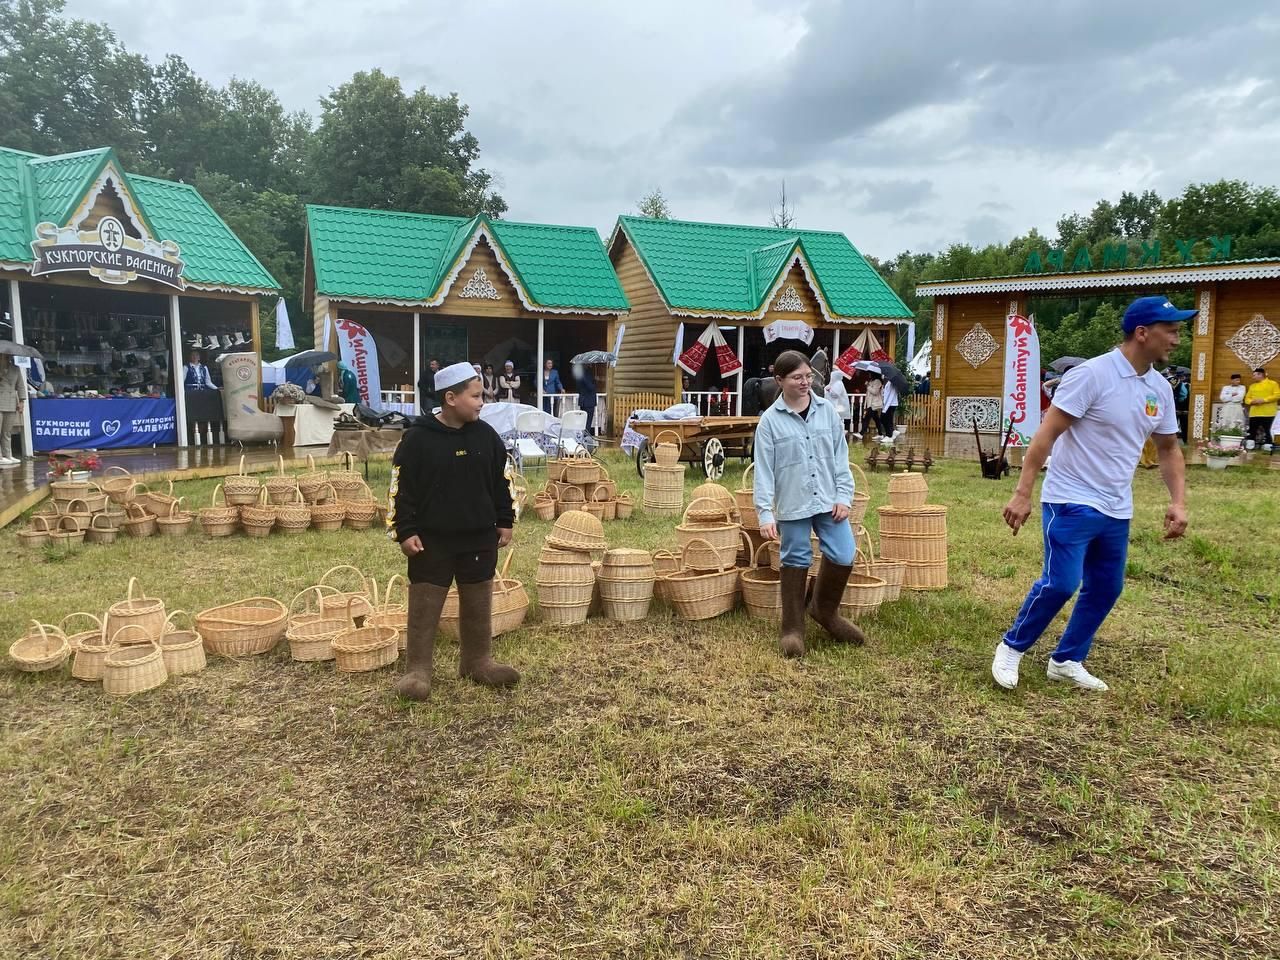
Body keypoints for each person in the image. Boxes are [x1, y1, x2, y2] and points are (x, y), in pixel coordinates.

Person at [992, 295, 1189, 693]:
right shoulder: (1093, 375)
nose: (1176, 339)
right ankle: (1012, 647)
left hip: (1117, 506)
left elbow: (1168, 448)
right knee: (1061, 583)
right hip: (1070, 498)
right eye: (1171, 330)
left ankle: (1067, 660)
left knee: (1106, 586)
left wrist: (1178, 501)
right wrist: (1023, 492)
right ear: (1142, 332)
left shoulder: (1159, 389)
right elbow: (1046, 434)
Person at [387, 361, 519, 700]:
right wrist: (405, 531)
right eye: (475, 396)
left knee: (478, 603)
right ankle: (417, 670)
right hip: (431, 541)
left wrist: (505, 520)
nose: (482, 402)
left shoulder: (486, 437)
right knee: (425, 607)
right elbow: (401, 489)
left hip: (479, 537)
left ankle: (477, 661)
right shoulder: (417, 440)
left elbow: (501, 482)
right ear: (450, 398)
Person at [753, 349, 862, 659]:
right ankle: (792, 628)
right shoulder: (769, 423)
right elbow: (763, 471)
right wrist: (764, 512)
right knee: (796, 556)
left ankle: (824, 611)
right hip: (793, 502)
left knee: (844, 552)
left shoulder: (827, 411)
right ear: (779, 380)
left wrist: (844, 495)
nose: (805, 382)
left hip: (830, 500)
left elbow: (841, 458)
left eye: (808, 376)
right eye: (797, 377)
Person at [1243, 367, 1279, 450]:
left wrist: (1263, 400)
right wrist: (1252, 402)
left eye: (1255, 375)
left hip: (1269, 412)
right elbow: (1247, 398)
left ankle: (1268, 446)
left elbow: (1277, 395)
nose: (1253, 377)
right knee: (1252, 430)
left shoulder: (1273, 384)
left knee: (1268, 430)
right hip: (1255, 412)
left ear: (1261, 375)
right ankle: (1250, 446)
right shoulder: (1252, 386)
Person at [0, 354, 25, 466]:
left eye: (8, 356)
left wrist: (21, 401)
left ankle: (7, 454)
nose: (7, 358)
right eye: (4, 356)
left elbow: (20, 385)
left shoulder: (15, 368)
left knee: (7, 431)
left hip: (10, 402)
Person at [854, 374, 883, 440]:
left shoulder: (877, 381)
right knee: (876, 419)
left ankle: (861, 434)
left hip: (874, 403)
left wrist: (868, 386)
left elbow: (875, 392)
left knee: (867, 418)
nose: (869, 374)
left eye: (870, 373)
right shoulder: (872, 381)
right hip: (870, 403)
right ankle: (880, 434)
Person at [823, 368, 850, 434]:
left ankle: (841, 431)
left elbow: (835, 394)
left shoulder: (838, 383)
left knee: (838, 418)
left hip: (839, 404)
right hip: (836, 404)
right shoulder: (834, 383)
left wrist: (829, 390)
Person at [573, 362, 597, 434]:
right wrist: (595, 382)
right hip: (588, 401)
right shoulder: (587, 374)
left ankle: (583, 435)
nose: (590, 365)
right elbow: (590, 387)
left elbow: (578, 387)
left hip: (583, 401)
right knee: (588, 421)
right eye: (589, 364)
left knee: (583, 421)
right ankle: (586, 436)